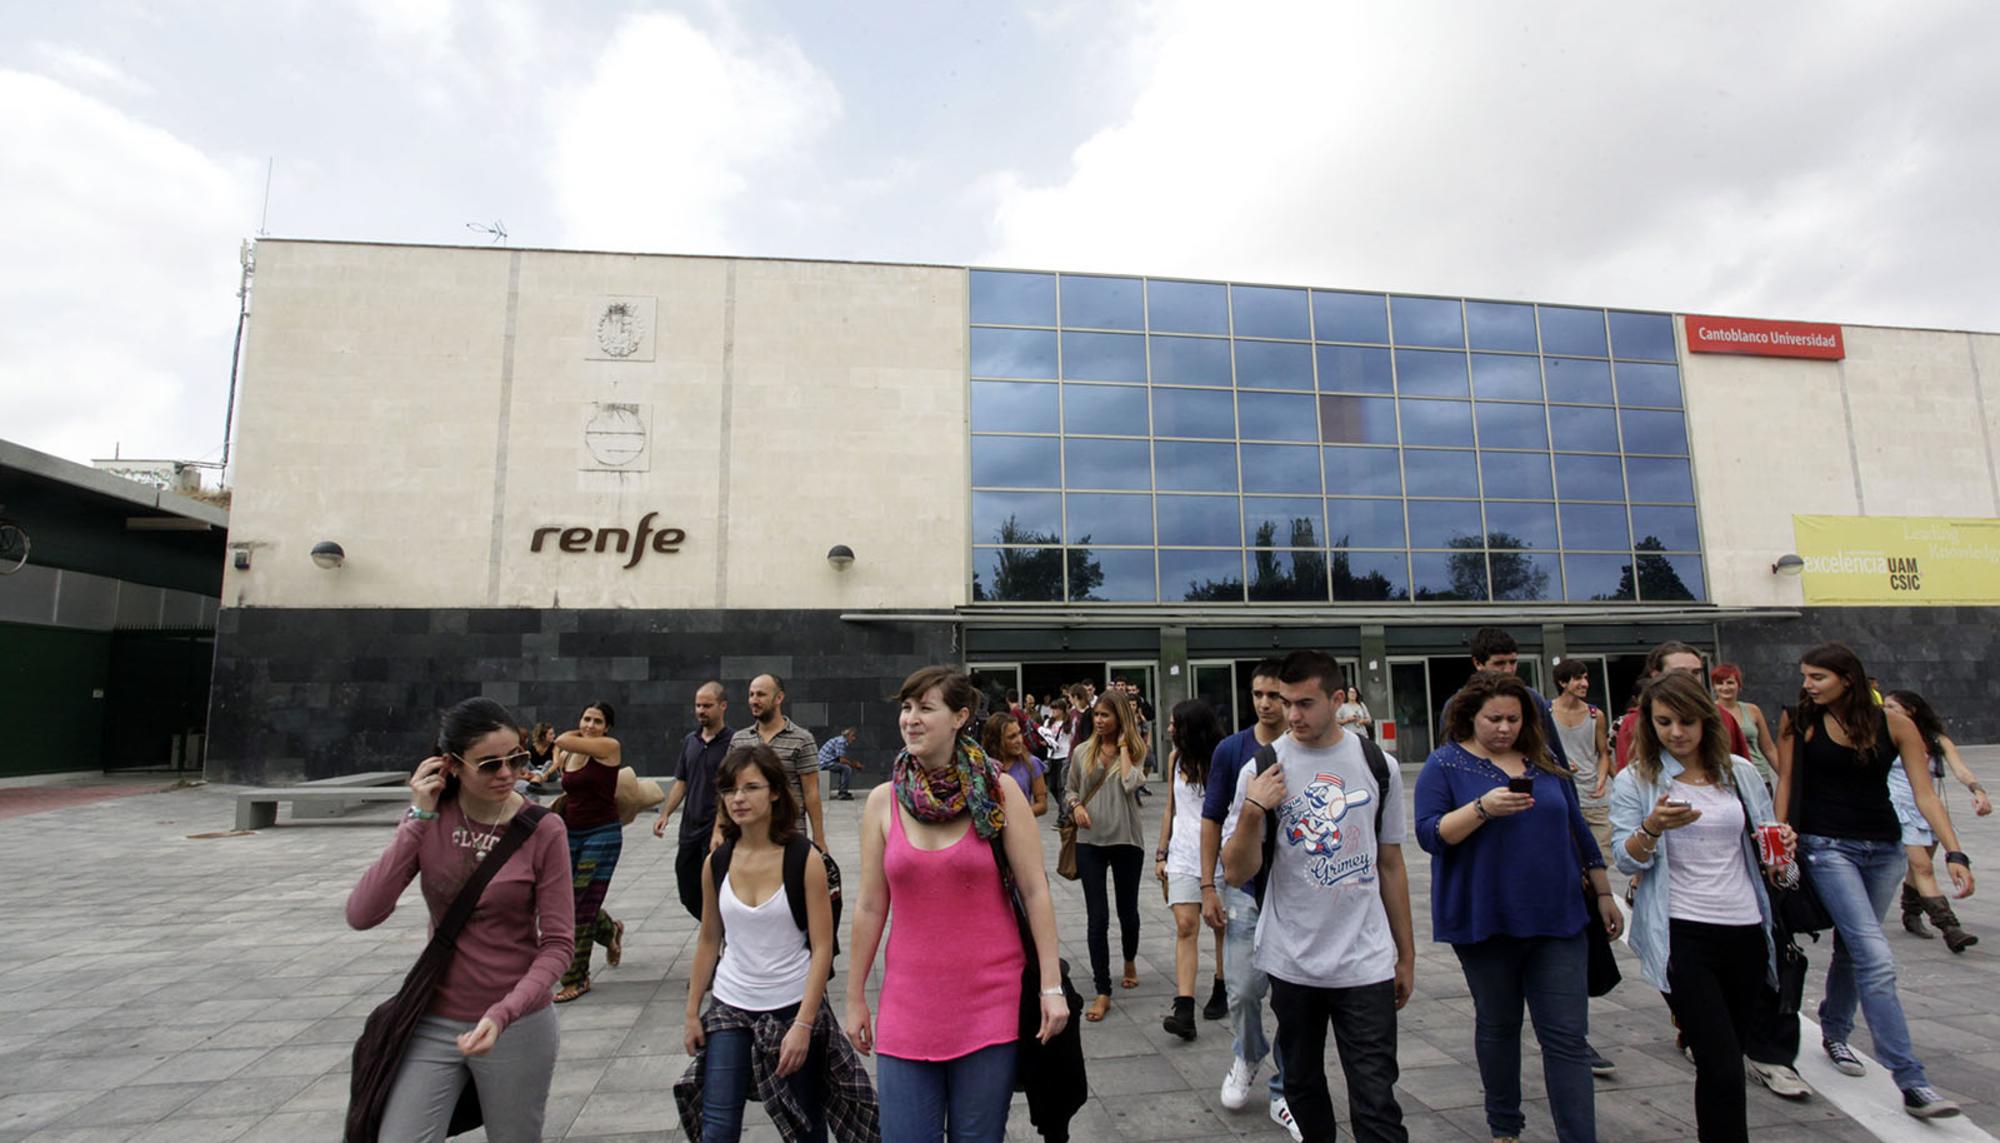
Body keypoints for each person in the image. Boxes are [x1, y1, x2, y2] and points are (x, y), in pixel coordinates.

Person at [846, 667, 1067, 1143]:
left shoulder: (999, 790)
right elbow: (868, 906)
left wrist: (1051, 986)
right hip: (907, 1007)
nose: (911, 719)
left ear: (959, 717)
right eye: (907, 708)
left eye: (926, 708)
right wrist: (854, 995)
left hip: (990, 1003)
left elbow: (1035, 890)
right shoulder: (883, 802)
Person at [347, 698, 572, 1142]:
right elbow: (362, 913)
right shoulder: (430, 820)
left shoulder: (543, 830)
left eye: (518, 759)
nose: (507, 774)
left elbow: (559, 944)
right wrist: (417, 817)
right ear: (450, 765)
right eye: (490, 764)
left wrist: (506, 1011)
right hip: (433, 1017)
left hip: (517, 1020)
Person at [1413, 670, 1619, 1143]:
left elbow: (1578, 828)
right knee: (1499, 1026)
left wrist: (1603, 891)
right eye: (1493, 719)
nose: (1504, 728)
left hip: (1559, 917)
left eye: (1513, 718)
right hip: (1486, 919)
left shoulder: (1542, 761)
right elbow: (1430, 835)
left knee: (1566, 1038)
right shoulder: (1445, 764)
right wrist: (1482, 809)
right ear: (1470, 717)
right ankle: (1505, 1125)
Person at [1224, 650, 1414, 1143]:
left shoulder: (1378, 764)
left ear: (1337, 699)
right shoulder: (1262, 768)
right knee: (1304, 1090)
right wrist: (1251, 812)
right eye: (1286, 703)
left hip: (1364, 959)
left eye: (1305, 703)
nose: (1292, 715)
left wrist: (1406, 955)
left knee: (1376, 1098)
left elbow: (1390, 863)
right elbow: (1237, 870)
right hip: (1293, 960)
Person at [1776, 642, 1972, 1119]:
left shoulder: (1895, 723)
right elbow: (1786, 781)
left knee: (1854, 948)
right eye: (1805, 676)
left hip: (1884, 848)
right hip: (1826, 848)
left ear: (1848, 678)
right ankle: (1912, 1081)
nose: (1808, 684)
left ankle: (1835, 1030)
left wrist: (1953, 850)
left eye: (1818, 677)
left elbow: (1924, 794)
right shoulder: (1798, 720)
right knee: (1874, 955)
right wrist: (1779, 839)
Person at [1610, 671, 1785, 1143]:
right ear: (1649, 722)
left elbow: (1773, 861)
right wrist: (1652, 826)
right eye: (1664, 722)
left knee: (1730, 1057)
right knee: (1721, 1063)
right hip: (1683, 933)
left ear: (1707, 721)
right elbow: (1625, 857)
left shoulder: (1739, 773)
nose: (1676, 733)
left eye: (1686, 721)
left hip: (1747, 929)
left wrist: (1782, 847)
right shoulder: (1637, 779)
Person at [678, 744, 859, 1142]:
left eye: (750, 787)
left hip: (790, 1006)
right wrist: (693, 1011)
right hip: (730, 1005)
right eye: (729, 790)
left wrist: (805, 1023)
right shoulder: (717, 862)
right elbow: (709, 939)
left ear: (775, 791)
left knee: (804, 1125)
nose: (738, 799)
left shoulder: (804, 858)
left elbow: (823, 948)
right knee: (717, 1127)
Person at [1199, 659, 1300, 1138]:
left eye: (1275, 695)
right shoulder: (1231, 749)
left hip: (1299, 892)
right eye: (1259, 694)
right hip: (1244, 888)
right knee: (1242, 989)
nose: (1266, 703)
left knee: (1293, 997)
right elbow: (1211, 818)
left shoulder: (1304, 749)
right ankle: (1247, 1052)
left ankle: (1285, 1084)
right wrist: (1207, 886)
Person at [1066, 687, 1151, 1021]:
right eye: (1096, 715)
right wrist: (1075, 807)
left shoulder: (1137, 749)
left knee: (1127, 911)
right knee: (1097, 916)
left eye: (1105, 715)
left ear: (1120, 718)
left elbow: (1132, 783)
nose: (1099, 721)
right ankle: (1103, 989)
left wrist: (1126, 749)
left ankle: (1129, 958)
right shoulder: (1082, 752)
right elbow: (1070, 789)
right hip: (1090, 842)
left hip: (1127, 839)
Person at [1884, 689, 1990, 952]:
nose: (1884, 711)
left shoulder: (1935, 740)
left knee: (1921, 867)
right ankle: (1950, 927)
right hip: (1897, 808)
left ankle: (1910, 912)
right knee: (1923, 868)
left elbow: (1960, 769)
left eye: (1892, 707)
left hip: (1927, 808)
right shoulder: (1885, 737)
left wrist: (1977, 790)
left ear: (1911, 711)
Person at [1154, 699, 1226, 1041]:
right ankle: (1184, 1009)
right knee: (1186, 925)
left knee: (1221, 925)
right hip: (1182, 853)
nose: (1169, 729)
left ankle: (1222, 983)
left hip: (1217, 854)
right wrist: (1161, 852)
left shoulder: (1220, 760)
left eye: (1174, 724)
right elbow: (1170, 808)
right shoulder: (1174, 760)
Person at [554, 701, 625, 1003]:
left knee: (580, 904)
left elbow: (557, 739)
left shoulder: (609, 747)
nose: (590, 726)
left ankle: (576, 977)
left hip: (602, 833)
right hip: (571, 832)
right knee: (567, 900)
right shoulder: (572, 752)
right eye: (586, 719)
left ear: (607, 727)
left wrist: (575, 735)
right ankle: (609, 930)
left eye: (597, 721)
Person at [653, 682, 735, 921]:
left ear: (723, 706)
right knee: (689, 893)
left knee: (719, 889)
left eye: (707, 705)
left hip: (719, 830)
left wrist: (721, 828)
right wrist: (665, 813)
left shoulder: (734, 742)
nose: (701, 710)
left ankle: (722, 941)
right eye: (698, 705)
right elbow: (682, 781)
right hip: (690, 829)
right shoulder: (691, 740)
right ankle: (717, 930)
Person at [1613, 642, 1749, 772]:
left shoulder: (1722, 716)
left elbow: (1741, 770)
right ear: (1656, 675)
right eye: (1679, 672)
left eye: (1696, 673)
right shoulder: (1633, 723)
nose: (1689, 679)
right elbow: (1631, 779)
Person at [732, 675, 825, 845]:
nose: (754, 700)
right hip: (747, 838)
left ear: (779, 698)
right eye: (751, 694)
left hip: (789, 836)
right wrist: (719, 829)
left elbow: (811, 793)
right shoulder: (739, 740)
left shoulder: (802, 739)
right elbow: (729, 789)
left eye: (760, 694)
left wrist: (819, 839)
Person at [1550, 659, 1612, 860]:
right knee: (1569, 857)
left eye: (1586, 678)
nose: (1585, 683)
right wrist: (1559, 766)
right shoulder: (1546, 713)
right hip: (1563, 796)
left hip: (1594, 798)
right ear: (1562, 682)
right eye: (1578, 678)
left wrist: (1602, 779)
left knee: (1600, 858)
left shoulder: (1596, 715)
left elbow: (1603, 753)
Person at [1710, 664, 1778, 788]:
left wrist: (1785, 777)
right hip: (1729, 779)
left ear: (1739, 685)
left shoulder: (1753, 710)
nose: (1725, 688)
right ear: (1714, 687)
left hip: (1759, 776)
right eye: (1720, 683)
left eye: (1730, 682)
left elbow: (1769, 748)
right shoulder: (1709, 712)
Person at [983, 712, 1049, 817]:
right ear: (996, 741)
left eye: (1019, 733)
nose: (1019, 740)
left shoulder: (1031, 763)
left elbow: (1042, 805)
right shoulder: (983, 766)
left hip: (1021, 829)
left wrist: (1015, 817)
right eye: (1012, 737)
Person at [818, 727, 861, 801]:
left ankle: (842, 790)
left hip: (827, 761)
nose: (854, 739)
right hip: (824, 763)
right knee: (846, 768)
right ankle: (842, 793)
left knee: (844, 768)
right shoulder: (841, 742)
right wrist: (855, 765)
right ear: (847, 736)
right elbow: (842, 760)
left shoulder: (840, 740)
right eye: (852, 736)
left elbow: (840, 758)